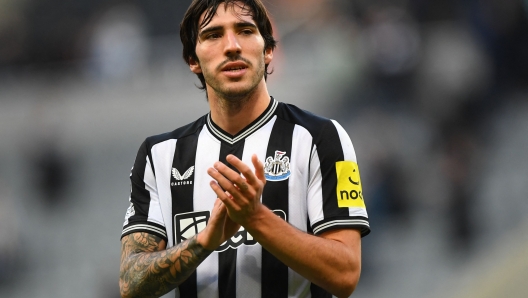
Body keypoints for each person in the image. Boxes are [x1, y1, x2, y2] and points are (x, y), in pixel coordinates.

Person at [119, 1, 370, 297]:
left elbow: (345, 274)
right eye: (213, 35)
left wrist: (254, 218)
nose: (232, 46)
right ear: (192, 59)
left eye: (246, 30)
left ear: (268, 50)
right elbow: (130, 283)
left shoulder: (323, 138)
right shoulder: (158, 155)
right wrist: (204, 241)